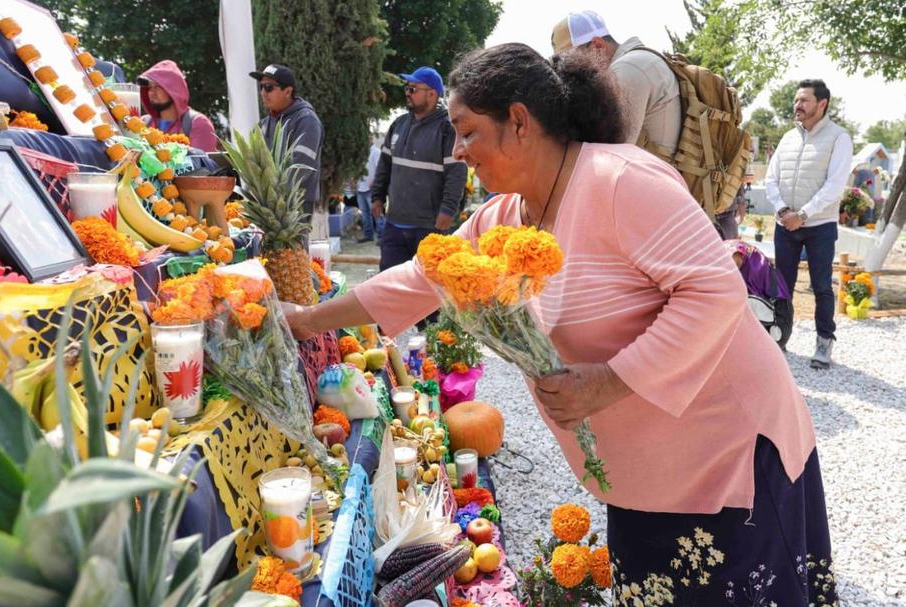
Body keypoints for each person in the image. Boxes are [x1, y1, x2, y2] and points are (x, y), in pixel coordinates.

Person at [284, 44, 835, 605]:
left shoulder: (620, 180)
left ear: (519, 122)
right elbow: (420, 277)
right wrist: (305, 321)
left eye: (468, 131)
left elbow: (715, 291)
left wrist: (607, 382)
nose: (458, 151)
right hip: (646, 477)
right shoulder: (506, 216)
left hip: (729, 462)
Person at [766, 79, 852, 369]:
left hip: (820, 227)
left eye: (804, 100)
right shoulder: (788, 137)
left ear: (822, 104)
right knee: (782, 286)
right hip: (784, 224)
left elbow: (835, 184)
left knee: (821, 287)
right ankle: (780, 338)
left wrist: (802, 215)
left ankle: (824, 343)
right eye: (796, 100)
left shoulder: (839, 137)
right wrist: (782, 210)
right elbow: (771, 178)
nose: (797, 105)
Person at [371, 66, 468, 271]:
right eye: (407, 88)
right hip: (394, 225)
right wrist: (377, 196)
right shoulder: (398, 124)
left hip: (429, 227)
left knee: (427, 292)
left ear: (432, 94)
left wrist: (448, 210)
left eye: (413, 89)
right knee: (389, 283)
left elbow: (456, 174)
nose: (407, 93)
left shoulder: (447, 130)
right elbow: (385, 165)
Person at [552, 10, 681, 157]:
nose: (569, 70)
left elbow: (612, 157)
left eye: (572, 60)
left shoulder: (627, 68)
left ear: (598, 46)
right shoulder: (638, 59)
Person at [250, 64, 324, 230]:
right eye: (261, 87)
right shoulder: (263, 124)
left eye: (269, 87)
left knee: (292, 252)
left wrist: (271, 196)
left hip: (296, 207)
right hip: (266, 208)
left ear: (288, 91)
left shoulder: (306, 121)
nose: (263, 93)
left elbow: (301, 168)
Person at [138, 60, 218, 152]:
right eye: (149, 87)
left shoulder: (199, 124)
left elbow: (201, 163)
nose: (151, 92)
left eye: (157, 87)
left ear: (174, 90)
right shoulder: (143, 123)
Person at [356, 138, 382, 243]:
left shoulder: (376, 152)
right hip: (360, 188)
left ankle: (382, 237)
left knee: (377, 213)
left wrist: (374, 182)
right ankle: (368, 235)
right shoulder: (362, 153)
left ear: (371, 139)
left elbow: (380, 169)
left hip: (371, 189)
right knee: (365, 214)